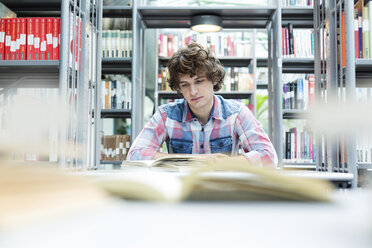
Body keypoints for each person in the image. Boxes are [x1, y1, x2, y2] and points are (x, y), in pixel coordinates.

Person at [127, 43, 278, 167]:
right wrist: (194, 160)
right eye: (185, 85)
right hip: (180, 192)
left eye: (199, 81)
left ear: (214, 79)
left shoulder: (236, 113)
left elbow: (269, 156)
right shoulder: (166, 115)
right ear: (179, 88)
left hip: (224, 191)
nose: (193, 91)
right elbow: (135, 154)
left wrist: (217, 163)